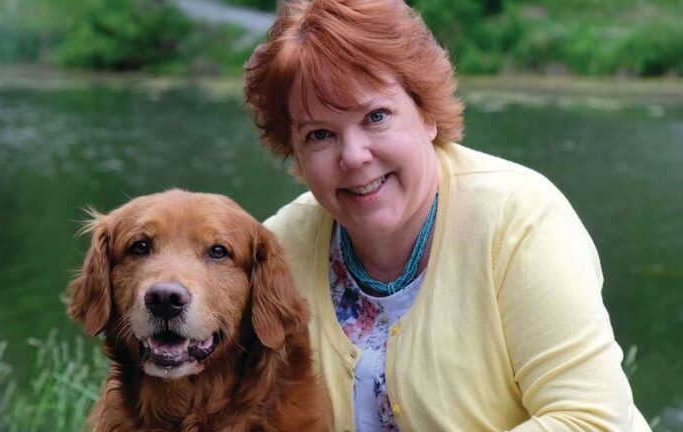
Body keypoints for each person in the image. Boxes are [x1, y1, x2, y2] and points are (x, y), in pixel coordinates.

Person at [243, 0, 651, 430]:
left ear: (427, 113)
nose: (354, 156)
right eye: (320, 134)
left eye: (376, 116)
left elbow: (590, 419)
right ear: (295, 152)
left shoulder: (518, 219)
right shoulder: (280, 246)